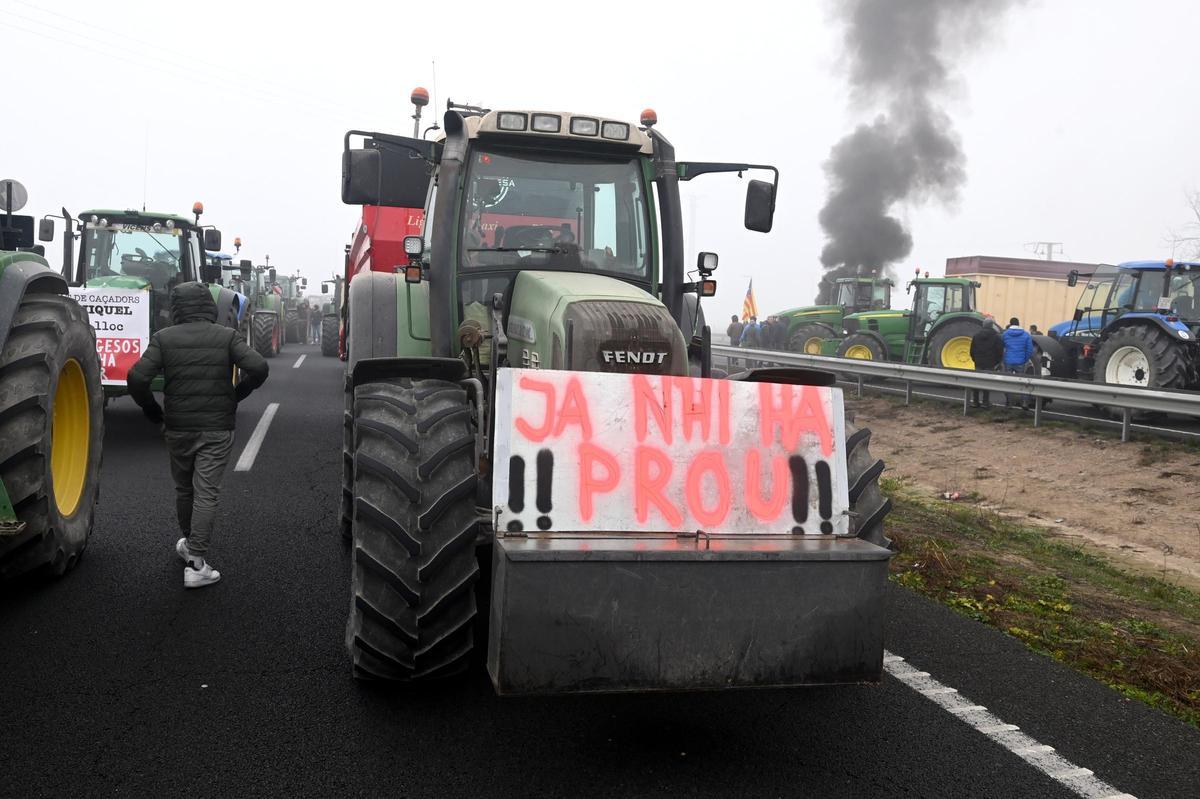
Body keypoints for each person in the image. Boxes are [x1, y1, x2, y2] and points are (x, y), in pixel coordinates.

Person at [128, 282, 270, 588]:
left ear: (176, 307)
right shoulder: (226, 336)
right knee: (207, 491)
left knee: (184, 489)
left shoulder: (163, 338)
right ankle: (195, 563)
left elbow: (137, 378)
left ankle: (189, 544)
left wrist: (152, 411)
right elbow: (258, 367)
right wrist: (237, 394)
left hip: (177, 427)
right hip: (217, 428)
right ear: (208, 305)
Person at [968, 317, 1004, 408]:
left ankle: (975, 401)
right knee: (987, 383)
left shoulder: (976, 336)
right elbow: (1000, 351)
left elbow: (972, 350)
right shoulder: (996, 337)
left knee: (976, 382)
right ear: (992, 325)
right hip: (990, 363)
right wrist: (997, 362)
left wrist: (975, 360)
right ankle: (985, 402)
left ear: (983, 325)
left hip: (978, 363)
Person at [1001, 316, 1035, 409]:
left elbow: (1001, 347)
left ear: (1010, 324)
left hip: (1008, 361)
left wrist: (1004, 358)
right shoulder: (1026, 334)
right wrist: (1025, 359)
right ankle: (1024, 402)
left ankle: (1009, 402)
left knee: (1008, 382)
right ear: (1018, 324)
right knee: (1023, 382)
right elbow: (1029, 349)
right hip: (1021, 361)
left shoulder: (1005, 334)